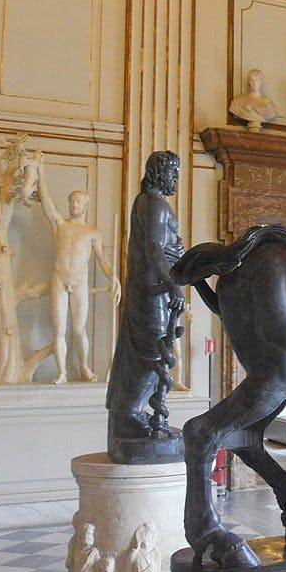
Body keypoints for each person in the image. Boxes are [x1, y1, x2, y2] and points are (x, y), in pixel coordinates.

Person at [106, 151, 186, 462]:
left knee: (146, 353)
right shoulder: (154, 204)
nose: (175, 180)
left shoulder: (144, 202)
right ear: (160, 173)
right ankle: (131, 414)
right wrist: (174, 284)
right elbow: (155, 249)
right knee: (151, 352)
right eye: (173, 174)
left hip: (148, 290)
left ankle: (132, 412)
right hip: (152, 292)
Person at [36, 160, 121, 384]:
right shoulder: (60, 225)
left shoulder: (92, 232)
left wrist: (115, 279)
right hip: (59, 278)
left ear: (85, 205)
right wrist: (41, 171)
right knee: (58, 329)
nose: (74, 204)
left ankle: (83, 366)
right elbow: (46, 202)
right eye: (72, 201)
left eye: (78, 201)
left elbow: (102, 259)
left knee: (79, 329)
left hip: (80, 281)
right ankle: (62, 372)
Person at [228, 68, 277, 132]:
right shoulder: (238, 101)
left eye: (257, 80)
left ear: (261, 82)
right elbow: (234, 110)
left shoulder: (268, 103)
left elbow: (271, 113)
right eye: (251, 80)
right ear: (248, 82)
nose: (254, 83)